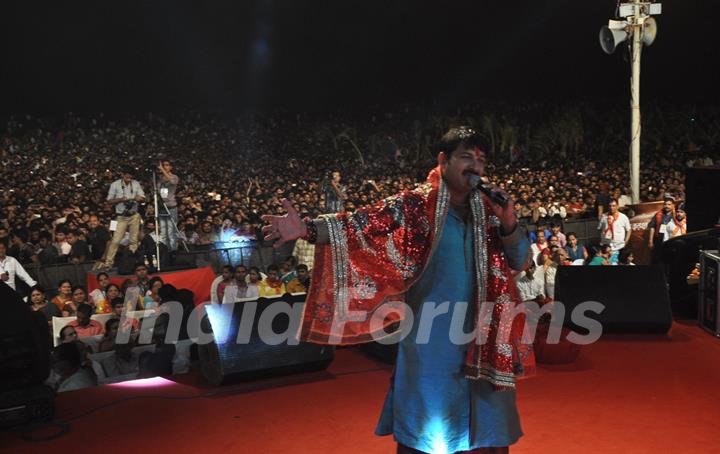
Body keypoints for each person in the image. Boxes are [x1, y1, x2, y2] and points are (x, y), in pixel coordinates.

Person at [261, 126, 533, 454]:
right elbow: (363, 224)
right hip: (431, 339)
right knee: (429, 427)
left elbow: (521, 259)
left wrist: (509, 222)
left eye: (481, 159)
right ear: (443, 160)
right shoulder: (414, 206)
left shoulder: (491, 211)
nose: (475, 166)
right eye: (465, 157)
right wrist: (307, 229)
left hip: (485, 339)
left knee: (487, 431)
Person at [99, 167, 146, 271]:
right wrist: (121, 199)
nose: (129, 177)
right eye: (127, 175)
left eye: (131, 175)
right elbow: (109, 201)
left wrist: (139, 198)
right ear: (123, 175)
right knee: (115, 241)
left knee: (134, 241)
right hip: (121, 216)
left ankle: (133, 262)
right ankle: (108, 263)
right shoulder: (115, 185)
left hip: (134, 215)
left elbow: (143, 198)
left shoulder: (136, 184)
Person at [598, 199, 631, 264]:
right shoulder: (604, 216)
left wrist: (626, 241)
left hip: (619, 246)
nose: (611, 208)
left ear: (617, 206)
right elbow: (599, 228)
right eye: (610, 206)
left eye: (613, 206)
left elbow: (629, 230)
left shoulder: (623, 217)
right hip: (607, 247)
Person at [157, 159, 180, 251]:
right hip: (162, 207)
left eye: (166, 165)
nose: (164, 167)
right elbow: (160, 192)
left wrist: (162, 169)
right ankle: (166, 251)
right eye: (163, 165)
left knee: (171, 231)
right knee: (163, 232)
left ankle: (173, 251)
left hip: (172, 207)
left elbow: (173, 182)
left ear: (171, 167)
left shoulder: (174, 177)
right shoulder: (159, 179)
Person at [647, 194, 676, 264]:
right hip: (659, 239)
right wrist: (650, 241)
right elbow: (652, 227)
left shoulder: (676, 215)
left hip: (671, 239)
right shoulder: (658, 214)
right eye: (665, 204)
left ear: (673, 206)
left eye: (669, 204)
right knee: (657, 259)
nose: (667, 206)